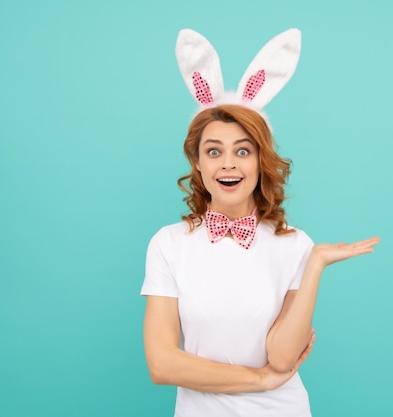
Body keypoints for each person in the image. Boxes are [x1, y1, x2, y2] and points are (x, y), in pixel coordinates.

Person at [141, 29, 380, 417]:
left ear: (260, 162)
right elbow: (162, 364)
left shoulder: (295, 245)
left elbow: (283, 359)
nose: (228, 163)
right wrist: (259, 380)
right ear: (198, 164)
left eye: (243, 150)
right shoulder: (169, 244)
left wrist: (316, 262)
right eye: (213, 151)